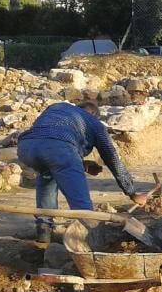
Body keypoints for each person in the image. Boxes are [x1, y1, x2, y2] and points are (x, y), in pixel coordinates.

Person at [16, 100, 148, 245]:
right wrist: (132, 193)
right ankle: (89, 241)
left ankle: (44, 231)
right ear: (92, 113)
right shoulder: (94, 123)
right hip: (59, 149)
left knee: (47, 175)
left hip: (26, 147)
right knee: (81, 204)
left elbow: (49, 139)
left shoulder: (58, 107)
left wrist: (80, 164)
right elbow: (111, 158)